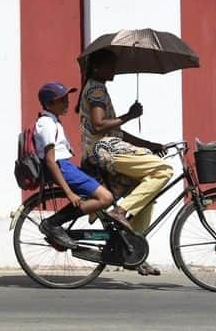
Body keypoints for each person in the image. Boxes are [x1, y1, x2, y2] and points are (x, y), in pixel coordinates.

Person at [78, 49, 173, 275]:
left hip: (107, 148)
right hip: (104, 150)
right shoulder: (96, 90)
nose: (115, 69)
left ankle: (134, 253)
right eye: (111, 65)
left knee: (147, 195)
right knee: (164, 171)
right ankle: (120, 212)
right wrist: (130, 115)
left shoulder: (97, 88)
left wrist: (150, 144)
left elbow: (116, 131)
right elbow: (100, 126)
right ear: (97, 67)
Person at [34, 82, 131, 249]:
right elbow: (50, 161)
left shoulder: (53, 121)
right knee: (106, 197)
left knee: (106, 191)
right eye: (62, 100)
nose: (67, 102)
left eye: (67, 98)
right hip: (62, 168)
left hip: (66, 166)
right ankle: (52, 223)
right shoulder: (46, 124)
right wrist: (69, 193)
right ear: (49, 104)